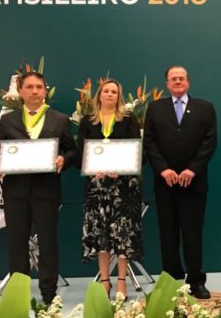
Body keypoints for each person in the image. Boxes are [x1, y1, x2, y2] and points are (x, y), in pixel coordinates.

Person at [0, 71, 77, 305]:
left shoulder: (59, 119)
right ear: (20, 91)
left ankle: (49, 292)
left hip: (46, 189)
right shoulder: (8, 120)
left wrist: (63, 160)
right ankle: (19, 291)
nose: (35, 91)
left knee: (47, 241)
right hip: (15, 190)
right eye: (29, 87)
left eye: (39, 87)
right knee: (17, 240)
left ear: (45, 90)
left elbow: (72, 151)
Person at [143, 66, 216, 299]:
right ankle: (172, 282)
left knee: (193, 234)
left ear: (188, 82)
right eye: (173, 79)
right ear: (166, 83)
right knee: (168, 234)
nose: (177, 81)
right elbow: (150, 142)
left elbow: (209, 142)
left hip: (193, 185)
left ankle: (196, 282)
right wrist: (163, 169)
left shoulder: (205, 108)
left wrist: (192, 170)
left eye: (181, 78)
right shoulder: (155, 108)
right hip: (165, 184)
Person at [77, 79, 143, 299]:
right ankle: (105, 280)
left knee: (122, 235)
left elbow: (138, 153)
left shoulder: (128, 120)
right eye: (106, 91)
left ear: (119, 96)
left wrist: (122, 169)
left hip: (123, 188)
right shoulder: (88, 121)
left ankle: (122, 281)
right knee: (101, 235)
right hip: (97, 188)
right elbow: (81, 155)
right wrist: (92, 169)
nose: (110, 94)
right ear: (99, 95)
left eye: (114, 91)